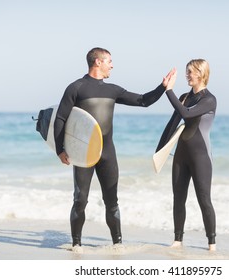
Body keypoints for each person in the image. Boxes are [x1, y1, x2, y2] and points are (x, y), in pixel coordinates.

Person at [54, 47, 174, 250]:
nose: (112, 65)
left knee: (112, 200)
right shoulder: (76, 87)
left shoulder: (113, 90)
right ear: (98, 62)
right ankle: (76, 245)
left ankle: (118, 244)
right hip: (85, 153)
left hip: (108, 153)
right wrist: (60, 149)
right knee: (80, 199)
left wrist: (162, 87)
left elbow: (143, 101)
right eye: (109, 61)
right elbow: (61, 118)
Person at [156, 59, 217, 251]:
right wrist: (159, 151)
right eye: (187, 72)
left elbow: (187, 114)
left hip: (201, 157)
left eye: (190, 72)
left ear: (200, 73)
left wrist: (168, 91)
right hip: (181, 155)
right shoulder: (184, 96)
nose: (187, 75)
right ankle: (178, 240)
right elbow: (173, 123)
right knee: (178, 197)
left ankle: (211, 243)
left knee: (204, 199)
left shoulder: (209, 99)